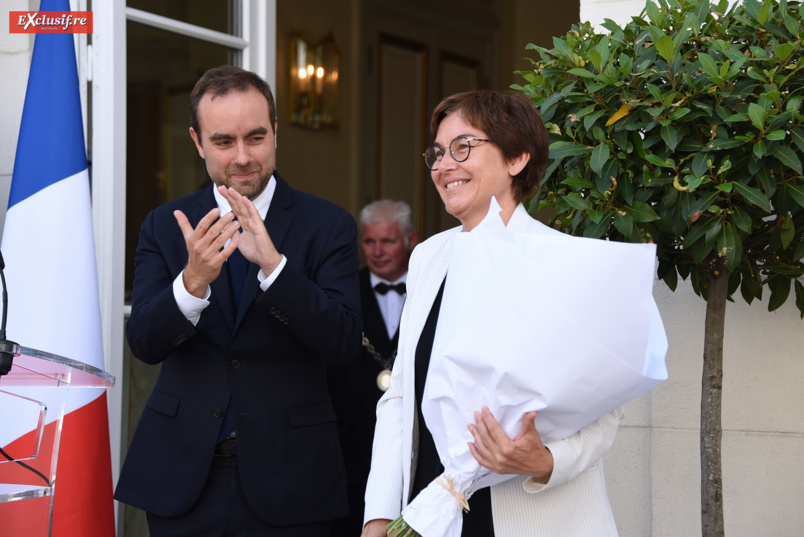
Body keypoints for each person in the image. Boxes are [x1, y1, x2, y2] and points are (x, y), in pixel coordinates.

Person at [114, 65, 362, 537]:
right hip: (181, 478)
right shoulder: (165, 224)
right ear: (197, 141)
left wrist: (276, 268)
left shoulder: (328, 225)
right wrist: (192, 284)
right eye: (225, 141)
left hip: (294, 482)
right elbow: (145, 342)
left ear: (275, 133)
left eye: (256, 137)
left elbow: (344, 341)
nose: (244, 157)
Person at [361, 90, 623, 537]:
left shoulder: (566, 263)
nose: (444, 166)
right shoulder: (429, 257)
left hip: (532, 514)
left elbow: (603, 410)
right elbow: (401, 395)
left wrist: (545, 462)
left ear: (517, 158)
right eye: (438, 153)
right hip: (431, 511)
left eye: (463, 147)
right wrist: (379, 516)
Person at [328, 200, 417, 537]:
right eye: (369, 241)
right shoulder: (342, 291)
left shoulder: (431, 290)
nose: (377, 251)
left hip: (413, 441)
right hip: (351, 446)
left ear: (411, 240)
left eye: (388, 241)